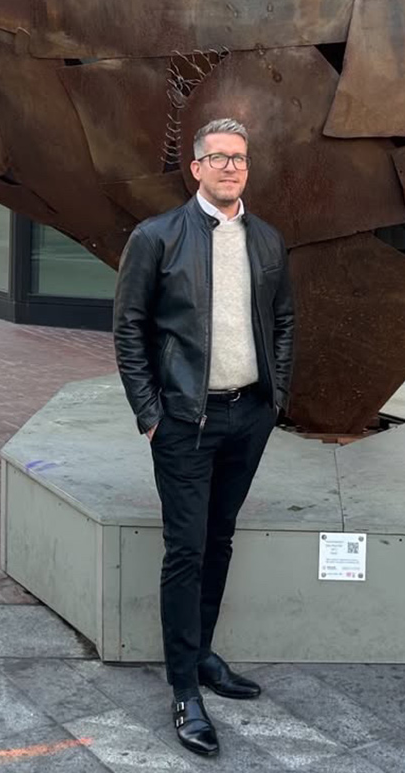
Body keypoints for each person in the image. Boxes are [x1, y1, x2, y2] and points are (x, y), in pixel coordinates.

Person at [113, 117, 294, 760]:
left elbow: (284, 321)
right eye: (217, 158)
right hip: (183, 423)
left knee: (220, 538)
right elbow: (129, 330)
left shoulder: (266, 240)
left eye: (239, 158)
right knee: (186, 550)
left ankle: (205, 652)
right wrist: (150, 413)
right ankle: (184, 687)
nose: (230, 168)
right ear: (195, 168)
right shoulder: (156, 238)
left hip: (249, 418)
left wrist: (276, 400)